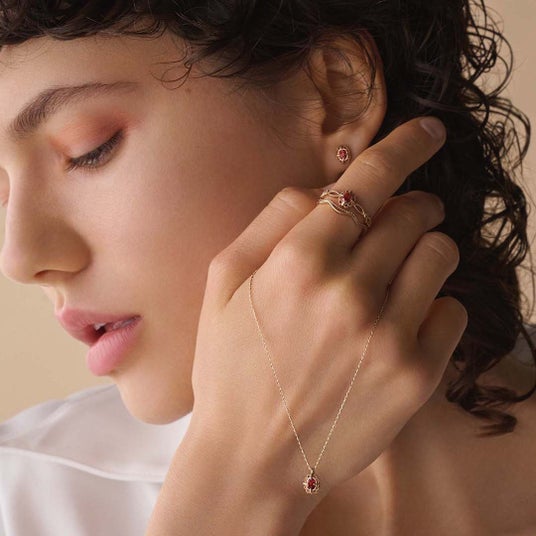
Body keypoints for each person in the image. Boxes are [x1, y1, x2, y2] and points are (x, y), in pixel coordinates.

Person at [0, 1, 534, 534]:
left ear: (337, 95)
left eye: (89, 150)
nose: (19, 257)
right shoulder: (21, 502)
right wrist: (241, 481)